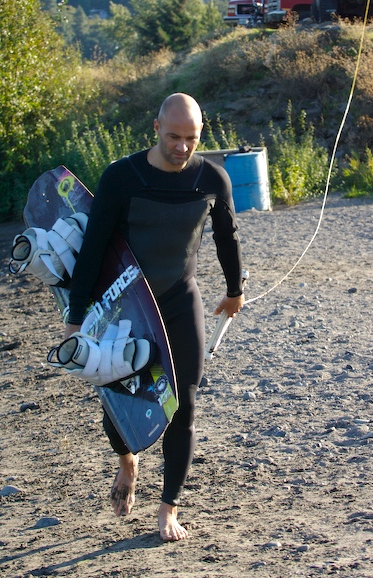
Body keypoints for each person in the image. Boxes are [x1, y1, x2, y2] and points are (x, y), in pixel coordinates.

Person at [65, 93, 245, 542]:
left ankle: (168, 508)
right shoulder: (122, 178)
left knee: (182, 404)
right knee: (119, 402)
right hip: (127, 308)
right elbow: (93, 249)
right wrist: (76, 315)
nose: (182, 147)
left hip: (182, 302)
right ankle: (128, 460)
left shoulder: (212, 179)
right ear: (155, 127)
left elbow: (227, 238)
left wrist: (235, 291)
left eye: (192, 138)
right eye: (173, 136)